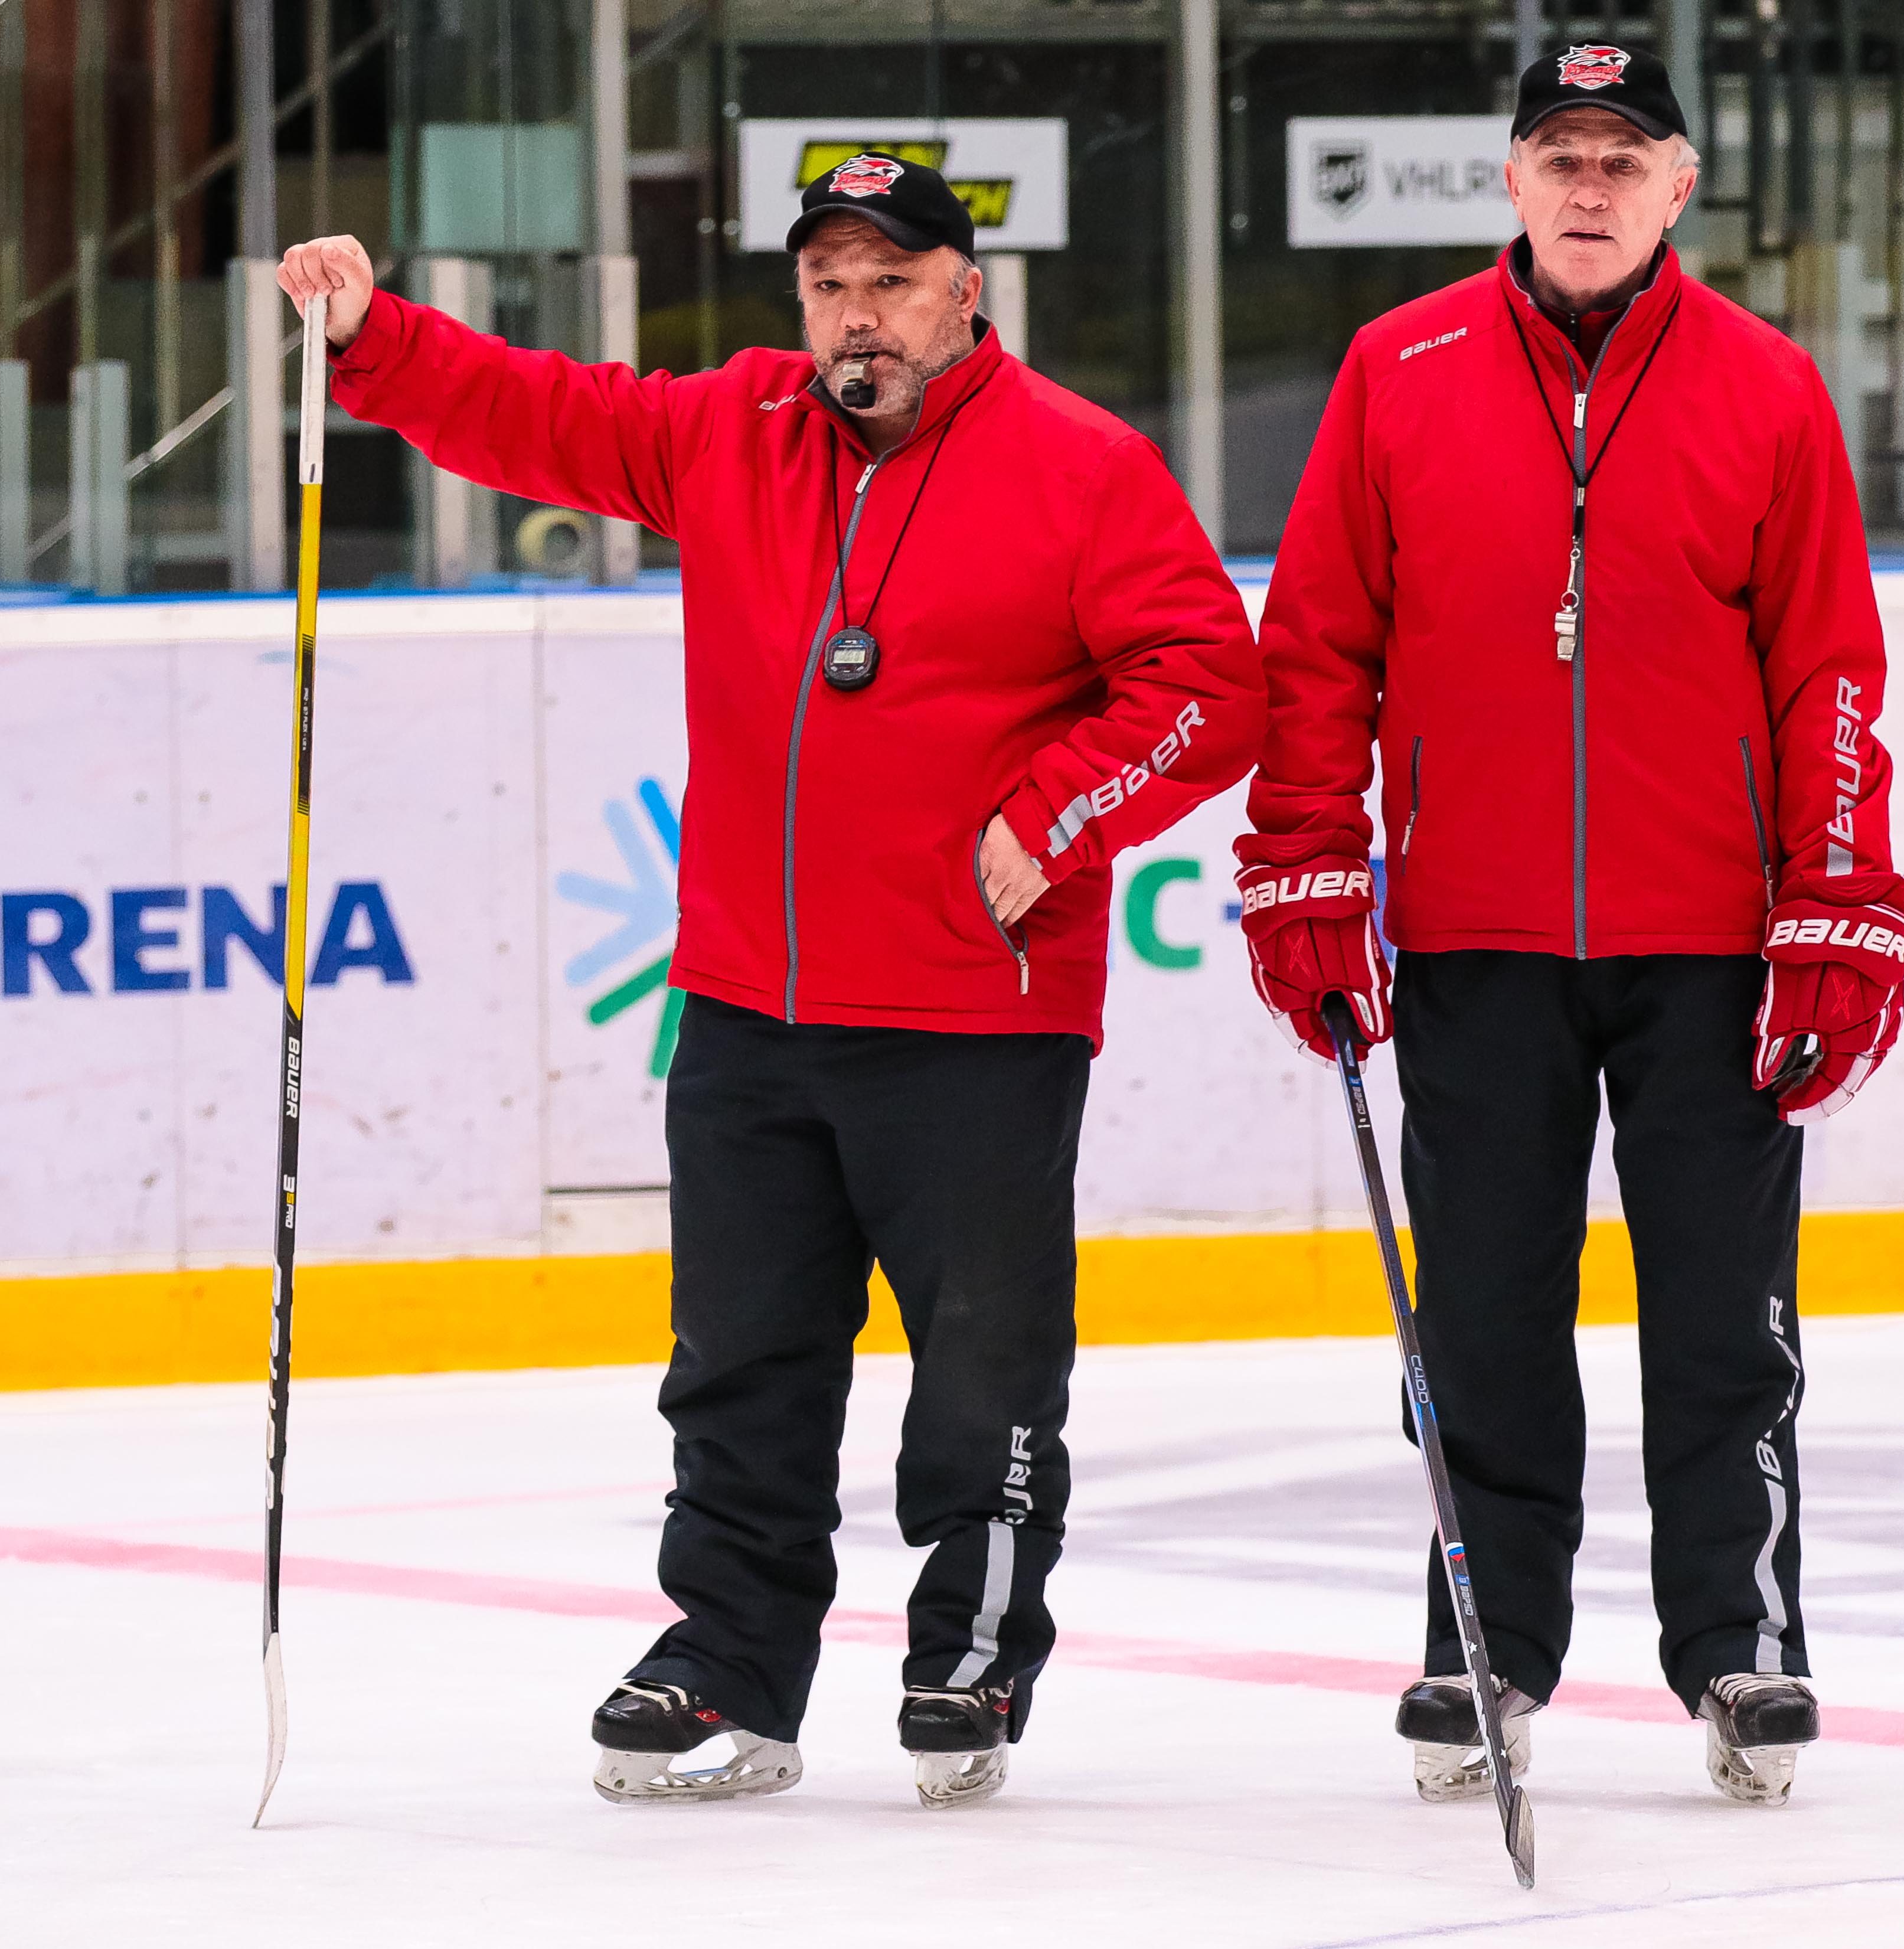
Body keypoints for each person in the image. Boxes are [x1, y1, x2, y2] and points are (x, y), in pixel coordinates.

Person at [279, 153, 1262, 1811]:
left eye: (890, 280)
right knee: (739, 1363)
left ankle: (971, 1651)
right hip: (748, 1003)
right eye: (826, 284)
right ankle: (729, 1665)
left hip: (972, 1014)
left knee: (982, 1371)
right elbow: (547, 414)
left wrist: (1057, 813)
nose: (855, 315)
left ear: (968, 290)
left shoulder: (1080, 468)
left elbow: (1206, 685)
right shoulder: (732, 431)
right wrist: (377, 337)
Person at [1235, 47, 1904, 1808]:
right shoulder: (1402, 370)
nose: (1592, 184)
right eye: (1561, 154)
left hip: (1709, 944)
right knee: (1479, 1318)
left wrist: (1836, 903)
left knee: (1723, 1315)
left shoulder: (1766, 387)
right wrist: (1310, 861)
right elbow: (1316, 647)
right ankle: (1489, 1646)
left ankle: (1744, 1645)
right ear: (1513, 182)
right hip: (1476, 937)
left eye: (1626, 155)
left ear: (1681, 183)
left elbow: (1829, 669)